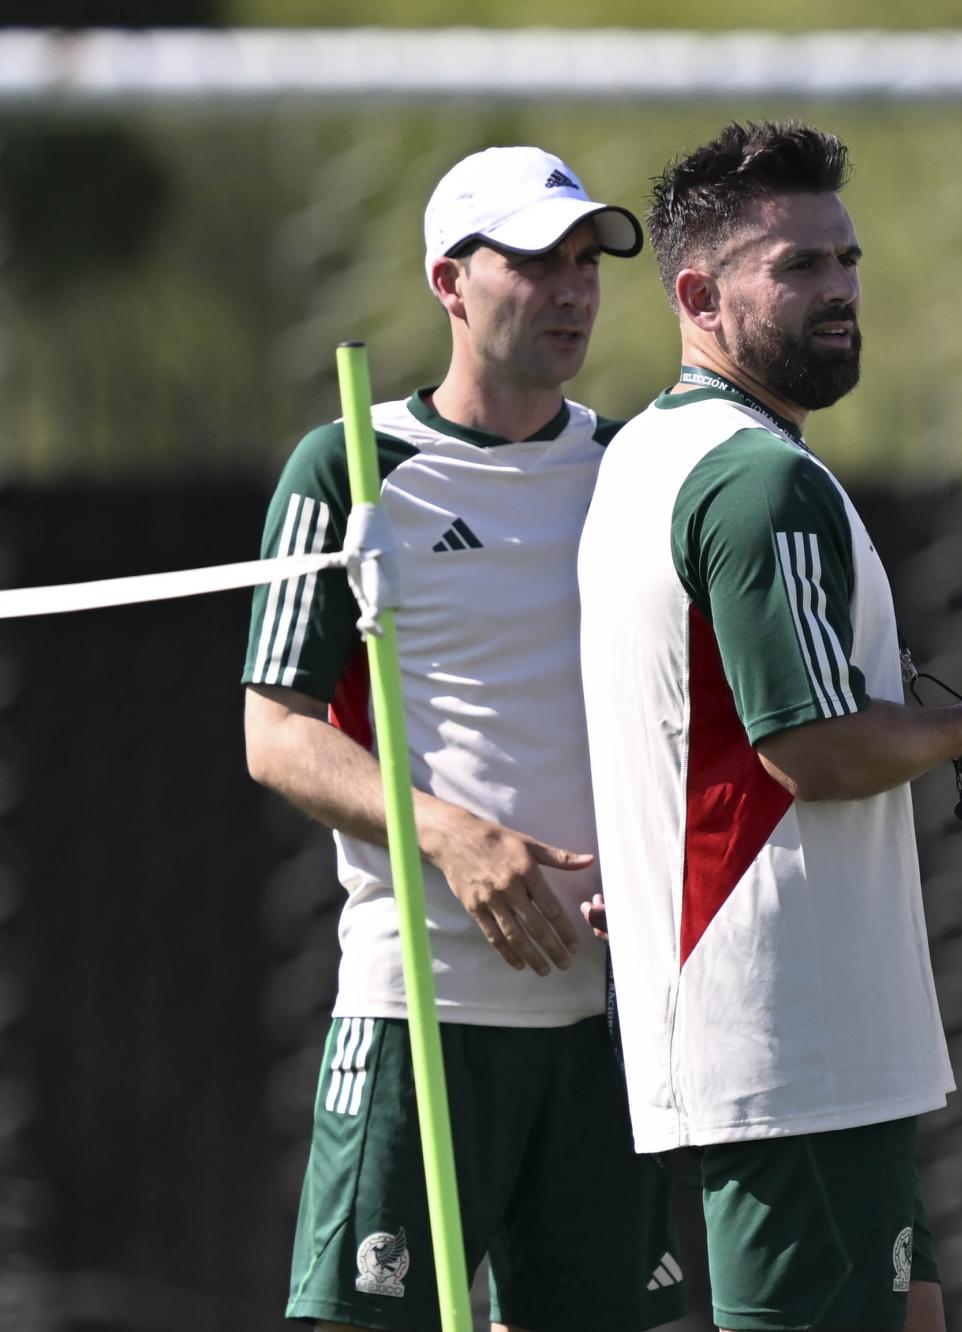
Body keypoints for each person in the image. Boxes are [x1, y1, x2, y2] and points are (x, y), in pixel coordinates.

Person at [576, 120, 962, 1332]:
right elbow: (814, 748)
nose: (839, 291)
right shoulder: (756, 480)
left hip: (784, 1037)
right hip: (789, 1038)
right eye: (796, 268)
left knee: (915, 1315)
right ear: (696, 293)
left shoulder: (647, 454)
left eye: (846, 261)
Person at [242, 146, 684, 1332]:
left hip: (608, 1020)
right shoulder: (350, 464)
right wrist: (449, 835)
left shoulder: (632, 467)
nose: (573, 289)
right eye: (536, 261)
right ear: (449, 280)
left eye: (587, 262)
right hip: (419, 1009)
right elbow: (274, 736)